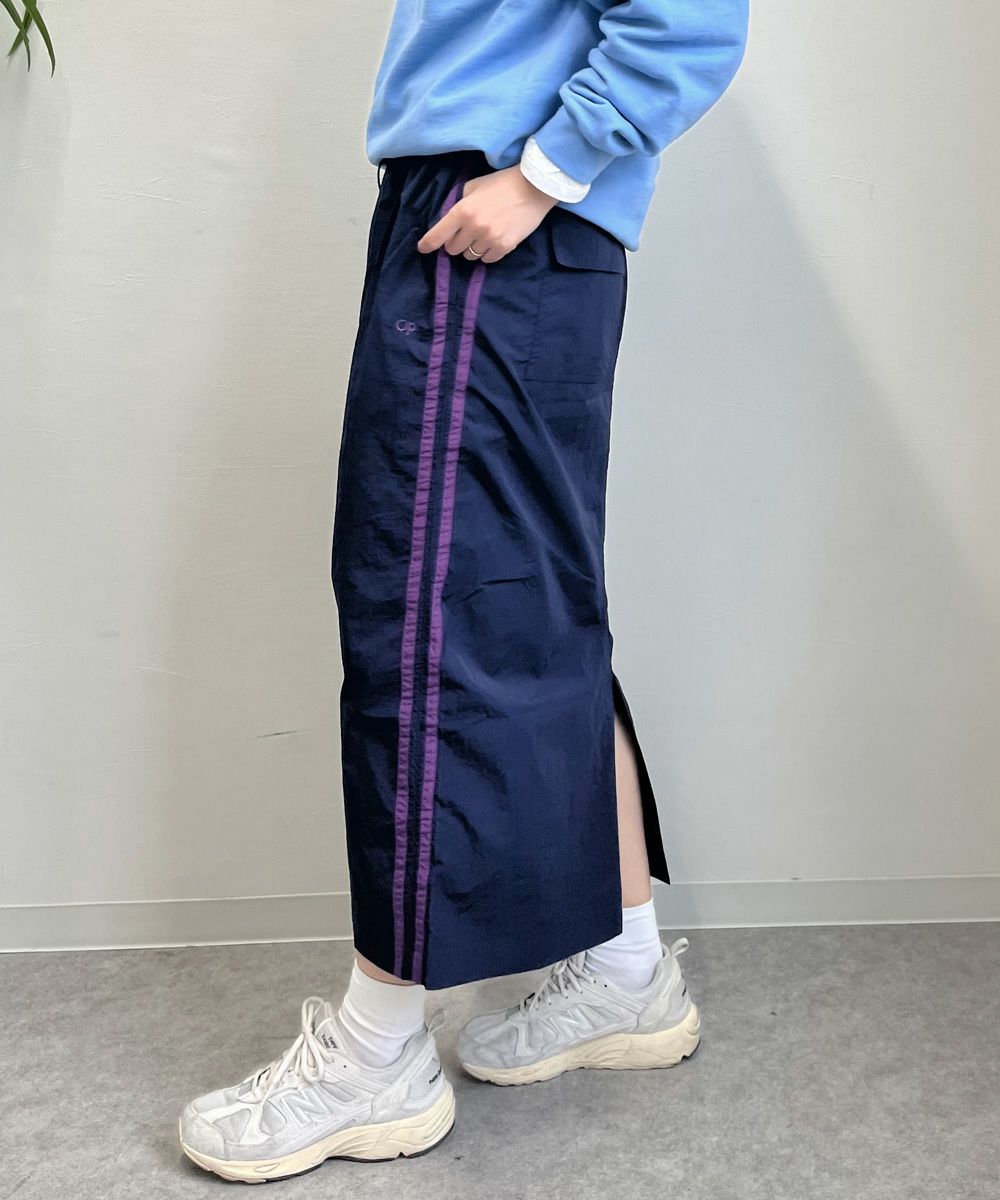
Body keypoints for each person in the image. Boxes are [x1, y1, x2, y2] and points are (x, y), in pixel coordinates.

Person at [178, 0, 748, 1182]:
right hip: (498, 213)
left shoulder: (520, 184)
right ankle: (625, 972)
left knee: (428, 614)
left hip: (498, 207)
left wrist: (542, 174)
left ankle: (377, 1053)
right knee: (517, 607)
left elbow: (689, 20)